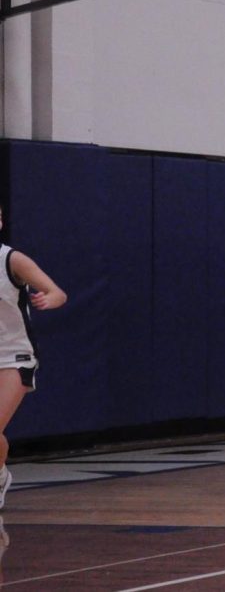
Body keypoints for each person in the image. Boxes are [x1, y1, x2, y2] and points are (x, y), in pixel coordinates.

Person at [0, 205, 68, 509]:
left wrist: (48, 299)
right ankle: (0, 473)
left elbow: (57, 292)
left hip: (14, 356)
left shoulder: (12, 259)